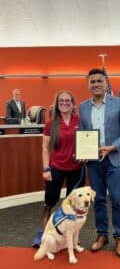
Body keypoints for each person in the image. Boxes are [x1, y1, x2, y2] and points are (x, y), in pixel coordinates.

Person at [79, 68, 120, 257]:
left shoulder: (118, 103)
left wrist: (112, 147)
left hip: (114, 159)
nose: (95, 84)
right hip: (94, 161)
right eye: (92, 82)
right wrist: (83, 151)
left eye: (99, 81)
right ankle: (102, 235)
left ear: (106, 83)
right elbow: (83, 132)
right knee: (99, 200)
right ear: (89, 85)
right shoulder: (83, 106)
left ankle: (119, 236)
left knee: (117, 199)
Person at [32, 90, 86, 248]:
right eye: (61, 101)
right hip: (56, 168)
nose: (64, 103)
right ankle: (42, 232)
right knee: (49, 202)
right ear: (57, 103)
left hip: (77, 169)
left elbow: (86, 140)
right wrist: (46, 168)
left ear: (72, 103)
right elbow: (45, 147)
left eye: (67, 101)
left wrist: (85, 154)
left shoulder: (79, 120)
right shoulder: (51, 123)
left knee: (75, 205)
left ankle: (73, 236)